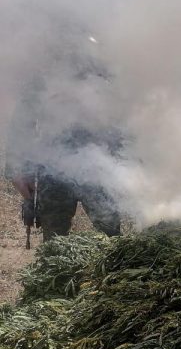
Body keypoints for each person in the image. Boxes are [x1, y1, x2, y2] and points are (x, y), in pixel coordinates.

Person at [5, 37, 122, 242]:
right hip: (53, 167)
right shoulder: (45, 77)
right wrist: (16, 167)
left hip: (98, 167)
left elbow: (127, 117)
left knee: (112, 239)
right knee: (55, 244)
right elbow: (22, 122)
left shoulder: (105, 74)